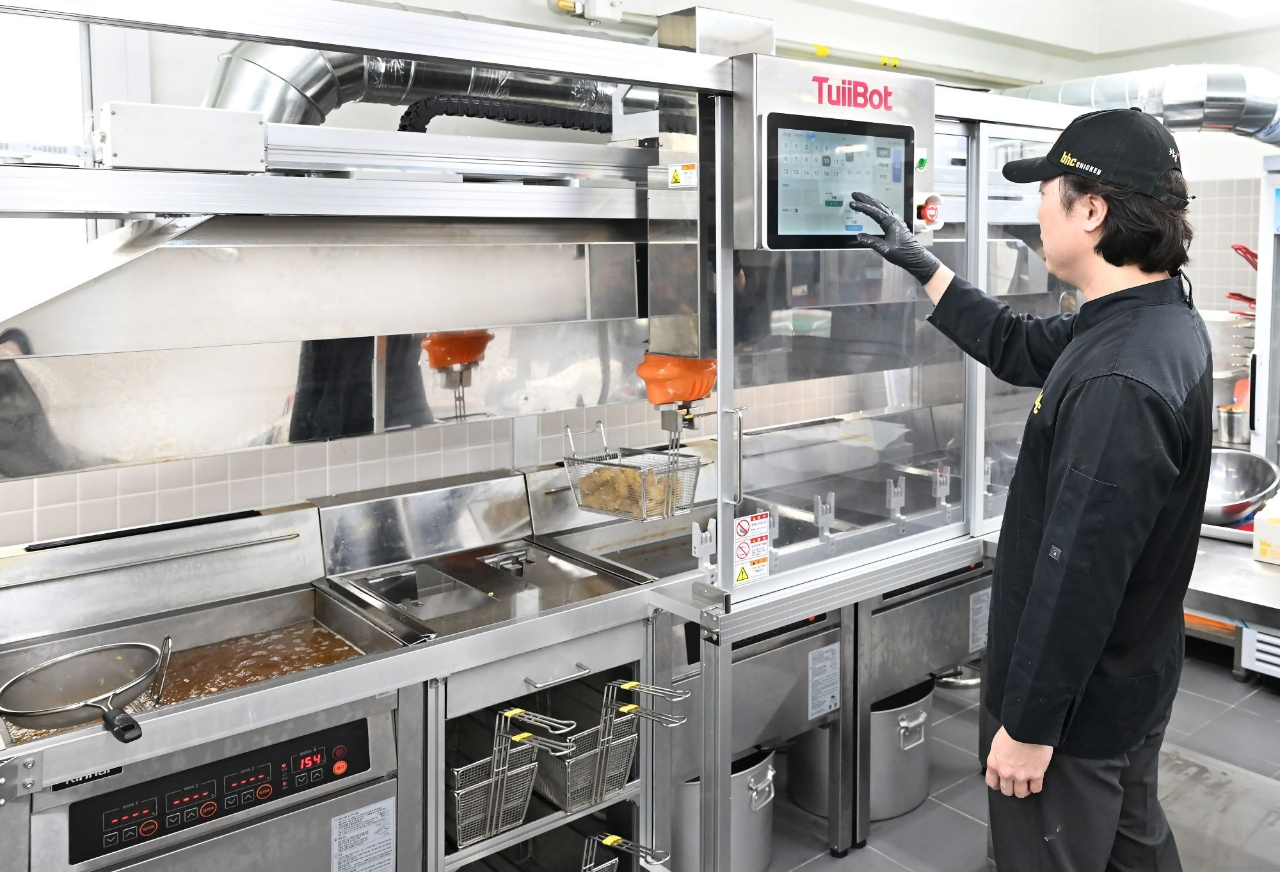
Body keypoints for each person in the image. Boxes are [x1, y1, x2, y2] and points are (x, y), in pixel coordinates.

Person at [850, 108, 1211, 872]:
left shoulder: (1120, 379)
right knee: (1132, 850)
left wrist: (1030, 726)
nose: (1037, 213)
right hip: (1130, 679)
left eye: (1045, 194)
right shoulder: (1148, 318)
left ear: (1092, 210)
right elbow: (1017, 345)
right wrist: (926, 266)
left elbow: (1077, 570)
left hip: (1075, 711)